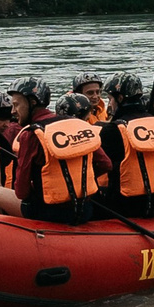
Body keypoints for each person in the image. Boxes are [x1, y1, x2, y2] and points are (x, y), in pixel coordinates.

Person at [14, 93, 115, 224]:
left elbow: (21, 192)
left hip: (48, 214)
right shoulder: (80, 126)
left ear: (32, 102)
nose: (12, 111)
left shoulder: (30, 134)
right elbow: (106, 164)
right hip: (85, 210)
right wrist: (82, 180)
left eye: (16, 105)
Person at [105, 80, 154, 219]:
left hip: (125, 208)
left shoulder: (112, 130)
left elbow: (101, 165)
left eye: (110, 99)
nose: (109, 105)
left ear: (120, 98)